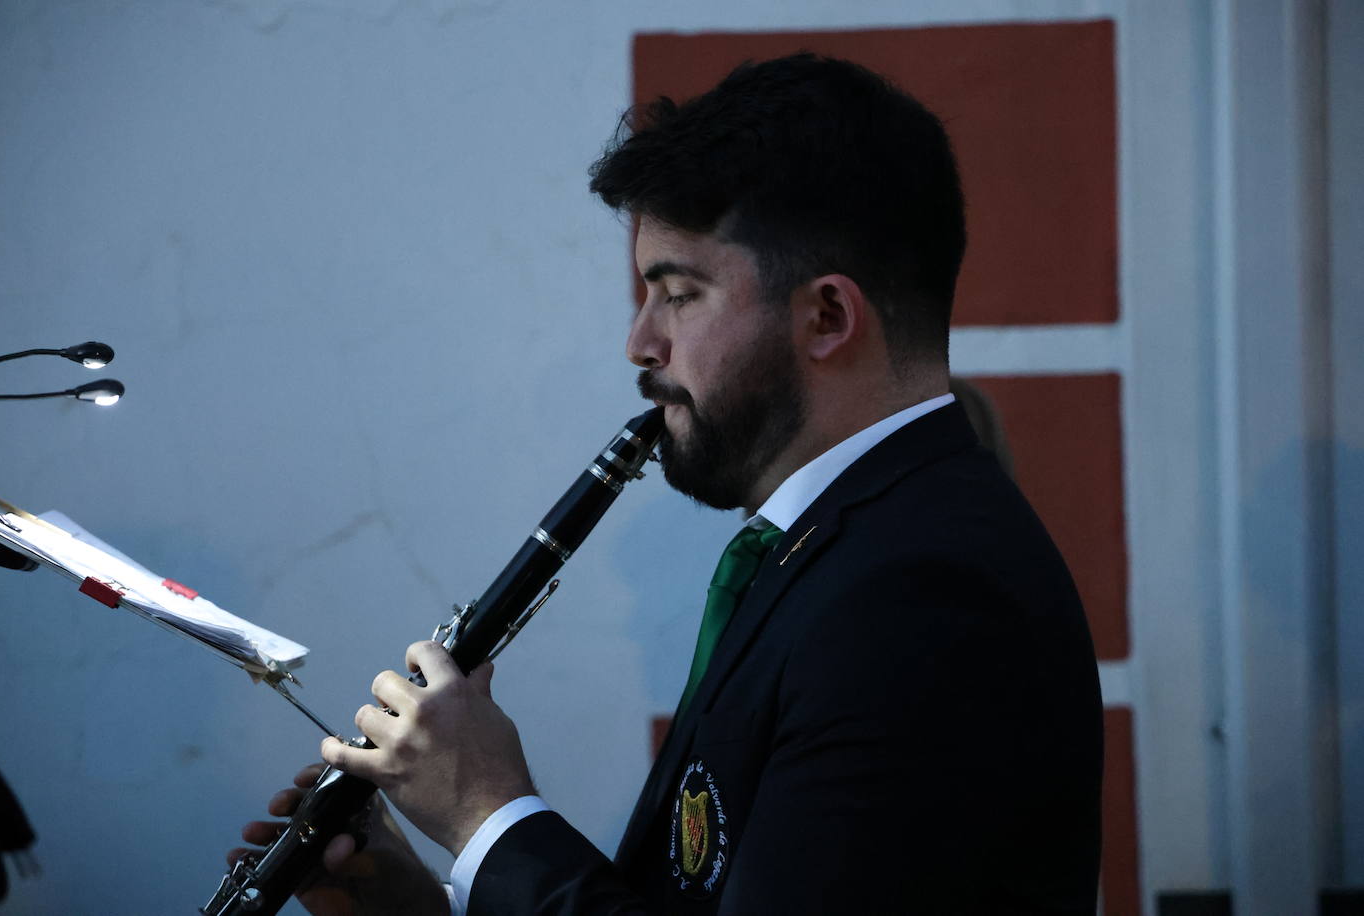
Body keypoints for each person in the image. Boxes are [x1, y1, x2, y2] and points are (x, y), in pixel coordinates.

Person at [237, 53, 1103, 914]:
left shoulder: (921, 593)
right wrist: (419, 910)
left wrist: (485, 815)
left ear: (828, 317)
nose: (640, 343)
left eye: (678, 294)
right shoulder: (827, 550)